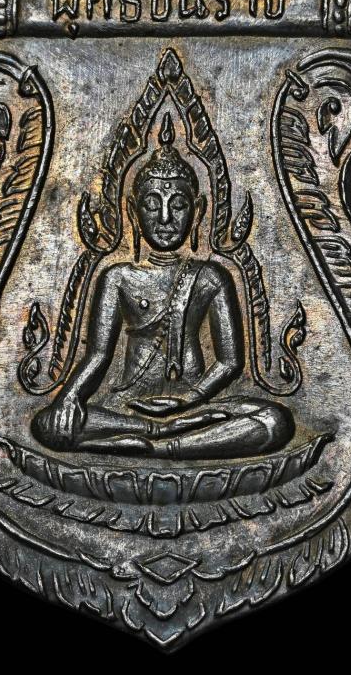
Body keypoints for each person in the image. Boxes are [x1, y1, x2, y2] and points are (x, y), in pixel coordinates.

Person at [32, 114, 294, 457]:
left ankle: (161, 445)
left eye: (179, 205)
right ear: (133, 211)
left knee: (275, 421)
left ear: (198, 211)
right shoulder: (118, 276)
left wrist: (189, 400)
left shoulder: (211, 276)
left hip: (196, 407)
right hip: (126, 407)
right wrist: (70, 396)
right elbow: (98, 355)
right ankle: (156, 434)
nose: (166, 219)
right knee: (47, 424)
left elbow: (230, 362)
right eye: (152, 206)